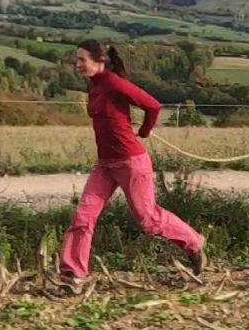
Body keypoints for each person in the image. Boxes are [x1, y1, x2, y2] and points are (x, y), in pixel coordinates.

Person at [55, 40, 207, 293]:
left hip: (130, 162)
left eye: (82, 59)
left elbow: (153, 105)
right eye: (77, 59)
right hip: (105, 164)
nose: (77, 64)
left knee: (148, 220)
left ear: (99, 61)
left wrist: (145, 131)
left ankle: (194, 243)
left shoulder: (113, 83)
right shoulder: (94, 86)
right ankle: (73, 276)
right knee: (82, 217)